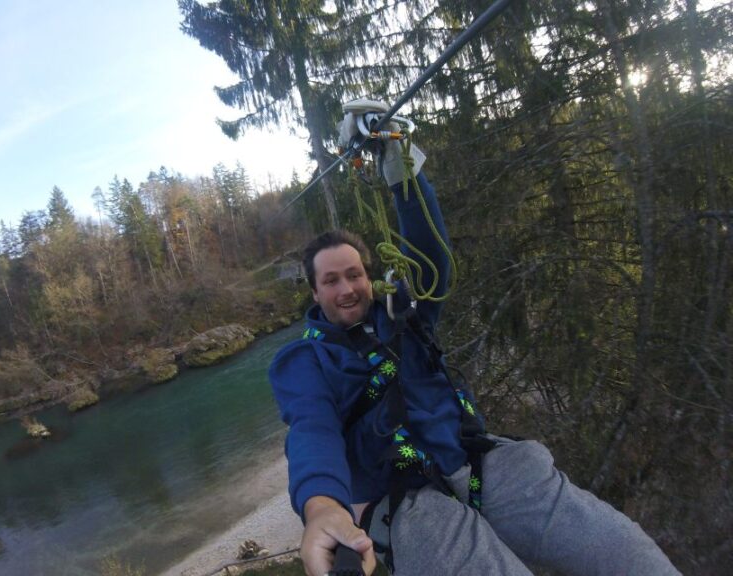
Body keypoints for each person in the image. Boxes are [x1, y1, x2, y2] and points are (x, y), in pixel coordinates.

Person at [269, 99, 681, 576]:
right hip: (405, 501)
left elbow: (431, 258)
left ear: (369, 275)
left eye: (354, 274)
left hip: (479, 461)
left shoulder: (401, 312)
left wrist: (400, 162)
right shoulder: (303, 361)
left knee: (628, 555)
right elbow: (311, 430)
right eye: (331, 281)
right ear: (315, 292)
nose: (347, 289)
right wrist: (322, 505)